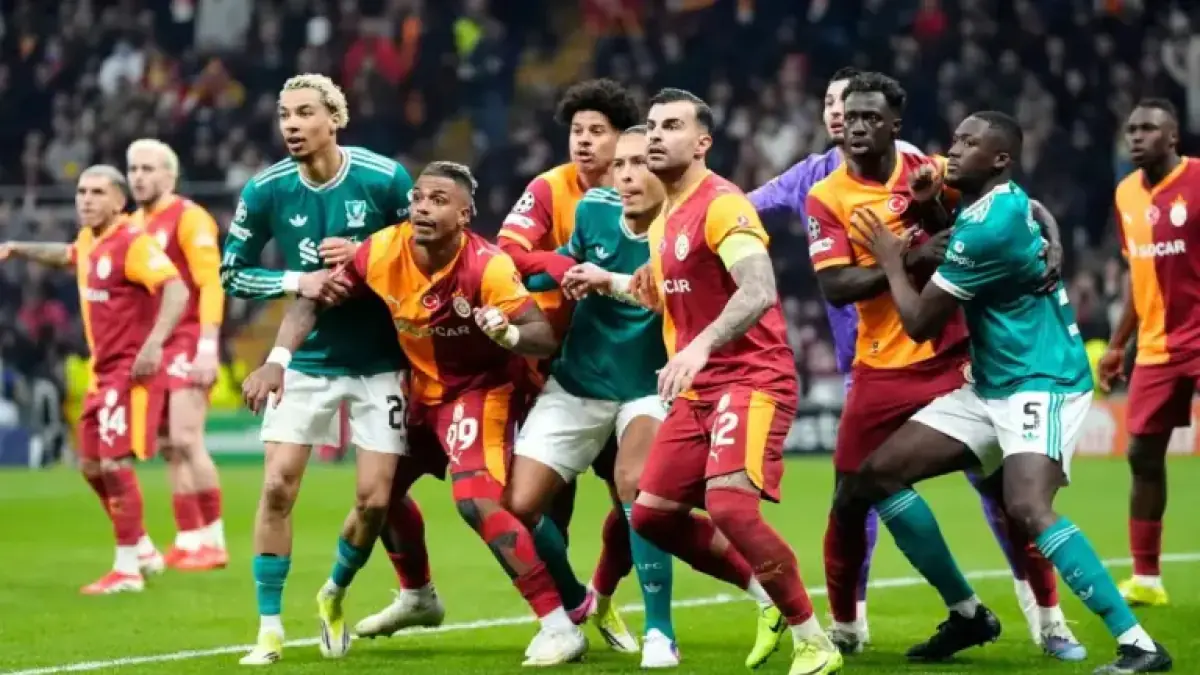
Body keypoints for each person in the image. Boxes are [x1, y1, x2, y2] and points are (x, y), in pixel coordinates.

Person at [751, 67, 1073, 655]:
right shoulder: (825, 195)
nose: (854, 125)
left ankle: (1050, 619)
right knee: (850, 498)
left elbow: (1019, 207)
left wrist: (1053, 241)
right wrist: (908, 257)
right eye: (848, 115)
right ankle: (853, 626)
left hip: (955, 358)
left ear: (893, 125)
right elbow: (836, 286)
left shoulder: (931, 170)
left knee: (1006, 496)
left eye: (869, 117)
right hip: (878, 366)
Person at [848, 110, 1174, 675]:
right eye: (955, 139)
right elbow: (982, 232)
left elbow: (920, 323)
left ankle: (1139, 644)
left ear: (1000, 159)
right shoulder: (994, 205)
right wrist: (931, 208)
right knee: (877, 475)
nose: (954, 149)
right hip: (993, 379)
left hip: (1041, 379)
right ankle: (967, 613)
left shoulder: (989, 225)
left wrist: (891, 262)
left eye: (969, 143)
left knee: (1026, 506)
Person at [243, 162, 590, 666]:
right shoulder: (383, 249)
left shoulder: (488, 267)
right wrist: (278, 360)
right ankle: (415, 595)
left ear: (464, 215)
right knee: (378, 497)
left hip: (480, 392)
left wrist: (509, 333)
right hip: (419, 393)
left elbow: (541, 335)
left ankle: (559, 625)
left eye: (438, 200)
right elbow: (315, 299)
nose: (423, 207)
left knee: (477, 502)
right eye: (419, 198)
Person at [219, 73, 440, 665]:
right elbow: (231, 272)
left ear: (334, 119)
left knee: (374, 502)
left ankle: (334, 594)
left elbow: (426, 249)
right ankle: (268, 628)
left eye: (304, 113)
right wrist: (299, 280)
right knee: (276, 485)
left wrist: (366, 257)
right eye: (284, 114)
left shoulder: (383, 177)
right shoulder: (266, 189)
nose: (291, 125)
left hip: (380, 362)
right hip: (307, 358)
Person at [628, 88, 842, 675]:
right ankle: (767, 594)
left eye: (672, 126)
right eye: (651, 125)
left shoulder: (723, 204)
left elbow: (759, 289)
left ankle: (815, 642)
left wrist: (699, 346)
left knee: (729, 508)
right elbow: (678, 301)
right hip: (697, 391)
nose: (656, 135)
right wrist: (608, 281)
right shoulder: (664, 218)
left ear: (703, 142)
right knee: (651, 517)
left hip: (752, 379)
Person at [509, 126, 679, 667]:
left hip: (649, 385)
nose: (626, 175)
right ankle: (574, 601)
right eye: (619, 165)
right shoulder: (594, 210)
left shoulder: (686, 227)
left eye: (639, 163)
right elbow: (562, 262)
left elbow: (677, 300)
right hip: (579, 381)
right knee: (518, 506)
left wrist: (606, 279)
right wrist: (514, 281)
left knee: (635, 488)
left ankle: (660, 631)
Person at [493, 80, 643, 642]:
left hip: (628, 365)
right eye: (577, 131)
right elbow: (507, 255)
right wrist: (563, 268)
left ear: (623, 139)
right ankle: (568, 605)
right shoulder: (549, 187)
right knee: (546, 501)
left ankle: (603, 595)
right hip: (555, 363)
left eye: (596, 131)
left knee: (634, 503)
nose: (583, 141)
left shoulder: (648, 192)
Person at [0, 165, 189, 593]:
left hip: (129, 371)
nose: (86, 199)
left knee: (114, 463)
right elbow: (66, 254)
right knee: (89, 465)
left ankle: (127, 570)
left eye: (97, 192)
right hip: (100, 374)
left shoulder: (133, 242)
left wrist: (154, 343)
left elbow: (176, 289)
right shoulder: (91, 240)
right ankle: (141, 546)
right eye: (82, 192)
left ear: (119, 201)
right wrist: (19, 248)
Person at [1100, 98, 1200, 608]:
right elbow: (1138, 277)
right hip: (1157, 347)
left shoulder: (1198, 181)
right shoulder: (1125, 194)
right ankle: (1146, 578)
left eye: (1148, 129)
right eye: (1131, 130)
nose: (1136, 137)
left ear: (1173, 136)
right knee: (1141, 453)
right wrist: (1118, 345)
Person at [125, 138, 227, 571]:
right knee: (168, 444)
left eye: (148, 169)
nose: (138, 177)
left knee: (187, 438)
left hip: (187, 338)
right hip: (154, 344)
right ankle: (189, 538)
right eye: (133, 169)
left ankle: (215, 539)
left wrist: (207, 345)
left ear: (170, 175)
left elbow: (210, 282)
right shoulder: (132, 224)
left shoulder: (189, 217)